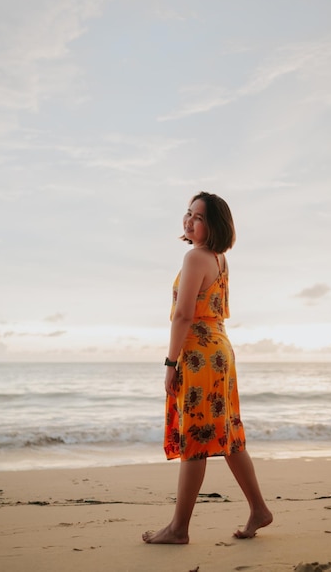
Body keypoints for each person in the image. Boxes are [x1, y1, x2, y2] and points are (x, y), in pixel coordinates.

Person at [142, 192, 273, 544]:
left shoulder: (195, 257)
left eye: (198, 217)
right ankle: (259, 509)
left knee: (196, 440)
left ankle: (178, 528)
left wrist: (170, 363)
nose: (189, 220)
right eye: (188, 213)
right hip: (220, 351)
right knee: (228, 435)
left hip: (199, 355)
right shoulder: (219, 258)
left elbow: (184, 314)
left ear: (214, 224)